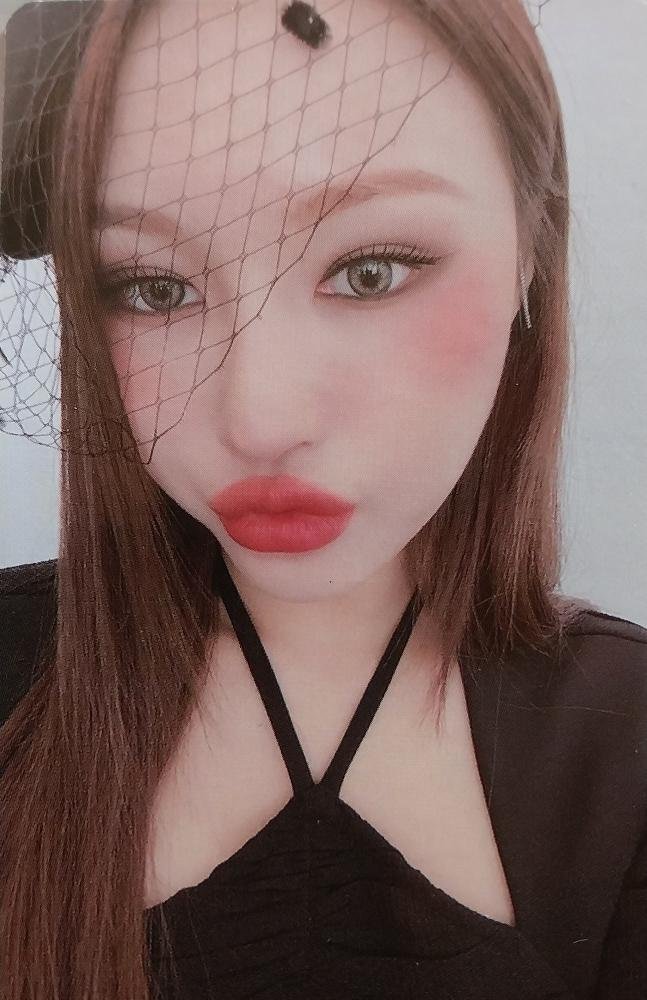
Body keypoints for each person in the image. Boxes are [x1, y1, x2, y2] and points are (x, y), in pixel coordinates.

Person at [0, 0, 646, 998]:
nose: (260, 419)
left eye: (369, 271)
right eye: (154, 288)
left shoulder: (625, 744)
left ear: (529, 249)